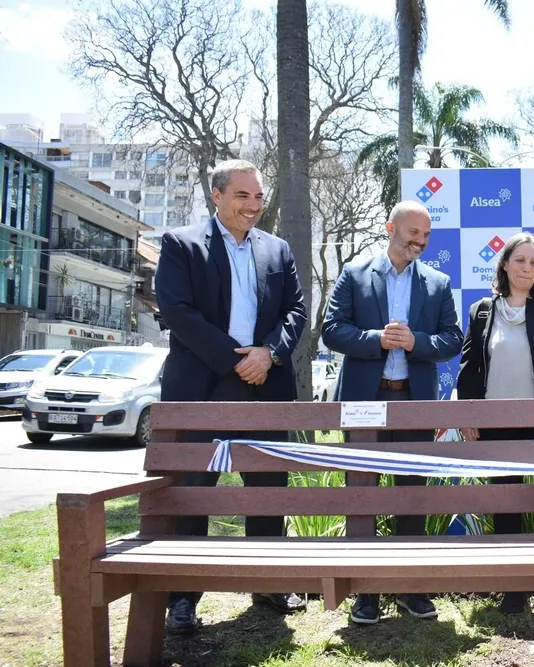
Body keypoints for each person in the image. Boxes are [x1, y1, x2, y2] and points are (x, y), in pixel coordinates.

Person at [155, 159, 308, 634]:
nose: (254, 206)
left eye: (259, 196)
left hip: (267, 386)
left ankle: (266, 581)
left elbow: (295, 310)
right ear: (216, 196)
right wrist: (235, 359)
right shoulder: (181, 244)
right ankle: (182, 598)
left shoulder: (277, 249)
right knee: (192, 494)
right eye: (243, 196)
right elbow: (177, 311)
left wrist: (269, 355)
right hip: (202, 387)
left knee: (267, 490)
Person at [322, 200, 463, 625]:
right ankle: (366, 591)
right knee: (362, 494)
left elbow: (453, 339)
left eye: (425, 236)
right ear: (390, 228)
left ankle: (410, 588)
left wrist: (414, 342)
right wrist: (376, 339)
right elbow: (331, 330)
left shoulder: (437, 283)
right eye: (412, 234)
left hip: (412, 402)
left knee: (411, 495)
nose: (419, 242)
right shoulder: (354, 274)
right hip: (366, 403)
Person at [455, 232, 534, 614]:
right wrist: (468, 414)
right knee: (507, 500)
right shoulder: (481, 311)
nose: (527, 268)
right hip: (497, 423)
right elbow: (469, 368)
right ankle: (514, 585)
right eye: (520, 260)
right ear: (505, 263)